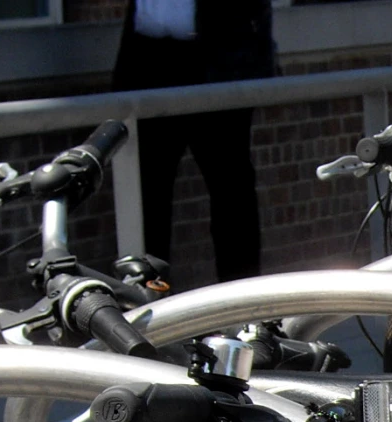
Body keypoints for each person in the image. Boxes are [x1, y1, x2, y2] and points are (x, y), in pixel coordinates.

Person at [113, 0, 274, 283]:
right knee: (147, 198)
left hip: (217, 58)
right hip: (147, 60)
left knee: (232, 193)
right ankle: (149, 306)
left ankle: (242, 310)